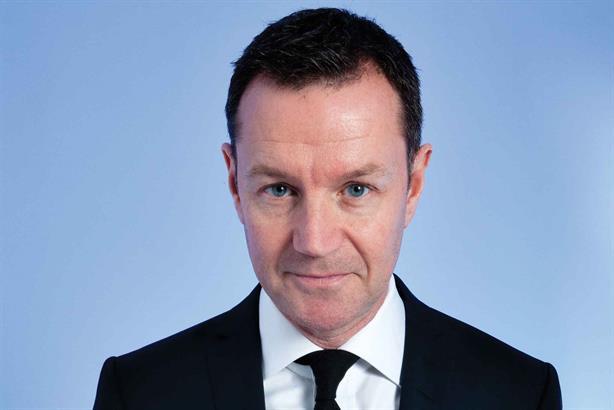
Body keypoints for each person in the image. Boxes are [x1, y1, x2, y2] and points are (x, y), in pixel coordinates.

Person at [93, 8, 562, 410]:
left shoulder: (520, 394)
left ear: (413, 185)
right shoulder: (139, 393)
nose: (315, 242)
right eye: (280, 190)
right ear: (235, 184)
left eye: (356, 189)